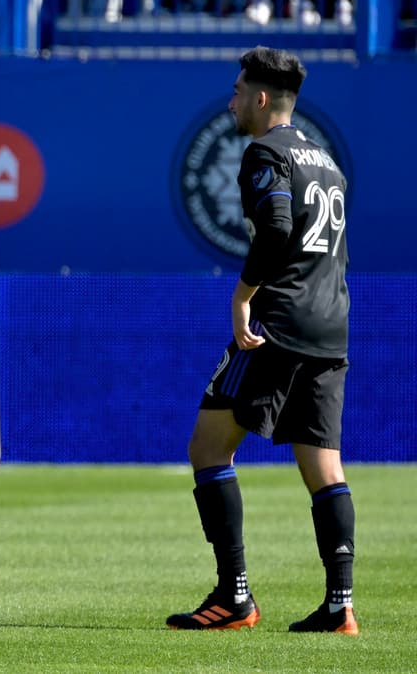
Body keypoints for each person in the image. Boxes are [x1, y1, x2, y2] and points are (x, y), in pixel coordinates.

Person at [167, 47, 356, 635]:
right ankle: (339, 605)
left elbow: (275, 230)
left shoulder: (264, 152)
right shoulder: (325, 161)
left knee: (208, 447)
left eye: (238, 89)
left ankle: (235, 597)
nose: (231, 100)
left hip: (279, 322)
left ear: (262, 98)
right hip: (331, 326)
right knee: (323, 465)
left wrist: (243, 295)